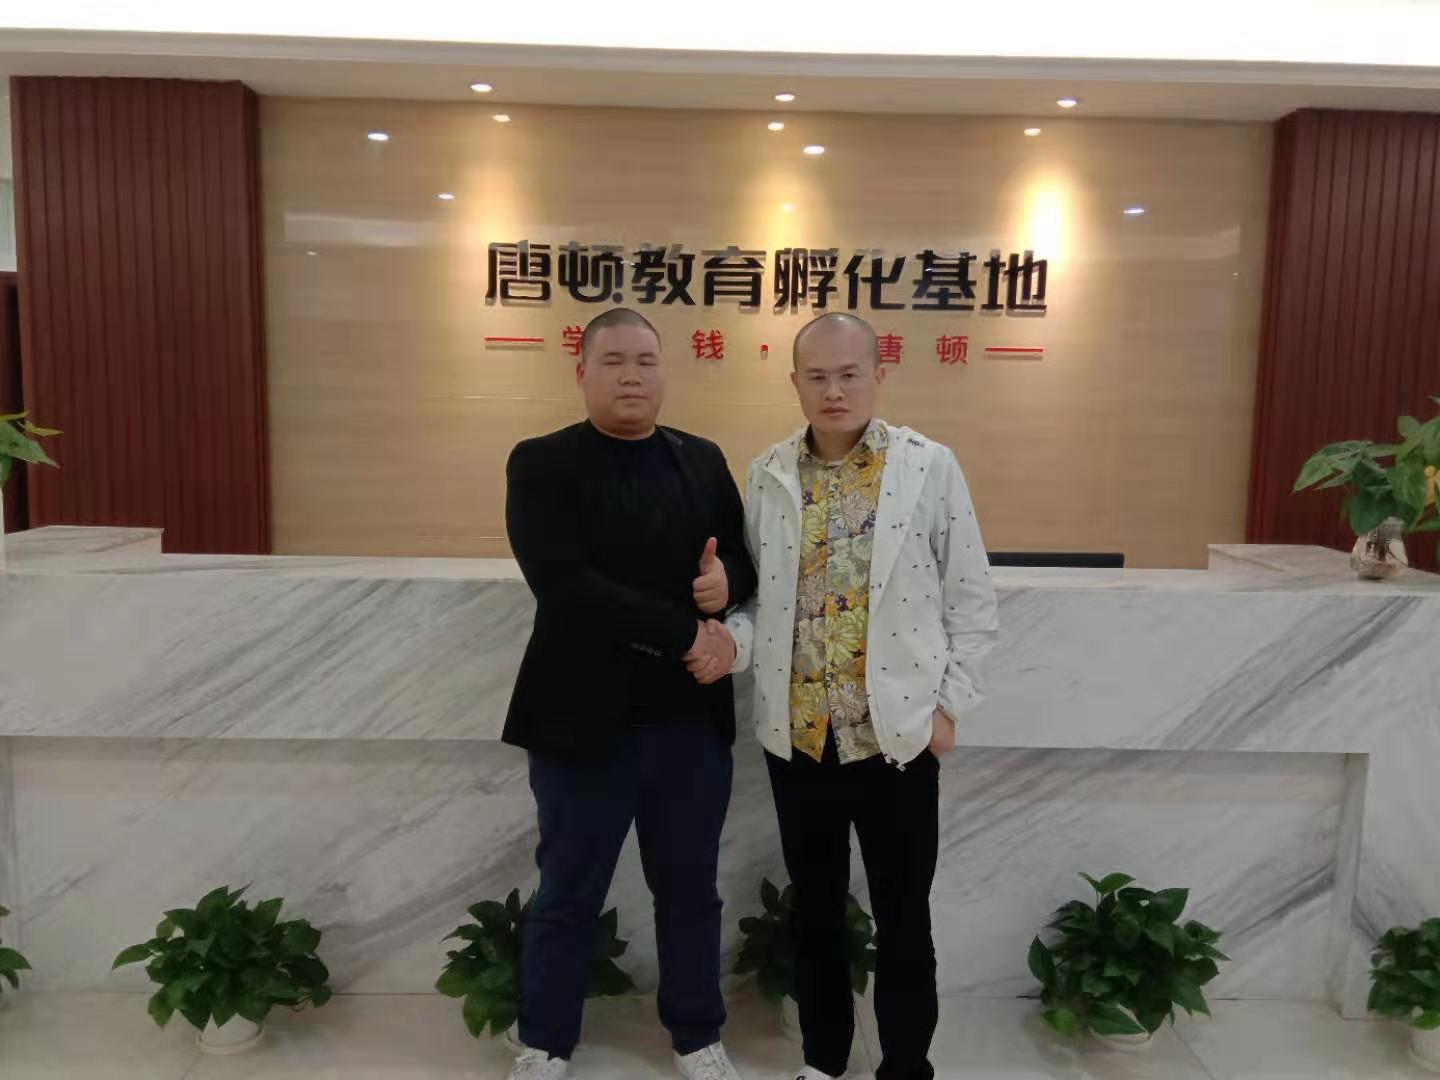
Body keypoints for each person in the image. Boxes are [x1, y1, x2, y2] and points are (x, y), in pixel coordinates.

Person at [710, 312, 999, 1080]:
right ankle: (824, 1061)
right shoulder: (768, 473)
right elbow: (760, 600)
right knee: (815, 915)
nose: (833, 390)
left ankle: (905, 1065)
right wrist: (729, 641)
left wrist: (947, 709)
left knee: (904, 917)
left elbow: (971, 597)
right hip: (799, 737)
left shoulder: (928, 466)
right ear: (795, 382)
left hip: (895, 736)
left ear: (879, 375)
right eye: (817, 376)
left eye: (848, 374)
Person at [503, 308, 756, 1080]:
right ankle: (545, 1041)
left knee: (690, 893)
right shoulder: (541, 463)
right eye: (613, 360)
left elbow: (746, 562)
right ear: (581, 372)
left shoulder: (701, 458)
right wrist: (687, 634)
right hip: (581, 726)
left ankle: (697, 1035)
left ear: (664, 371)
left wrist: (726, 583)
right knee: (567, 891)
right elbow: (565, 584)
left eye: (646, 360)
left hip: (689, 725)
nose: (631, 375)